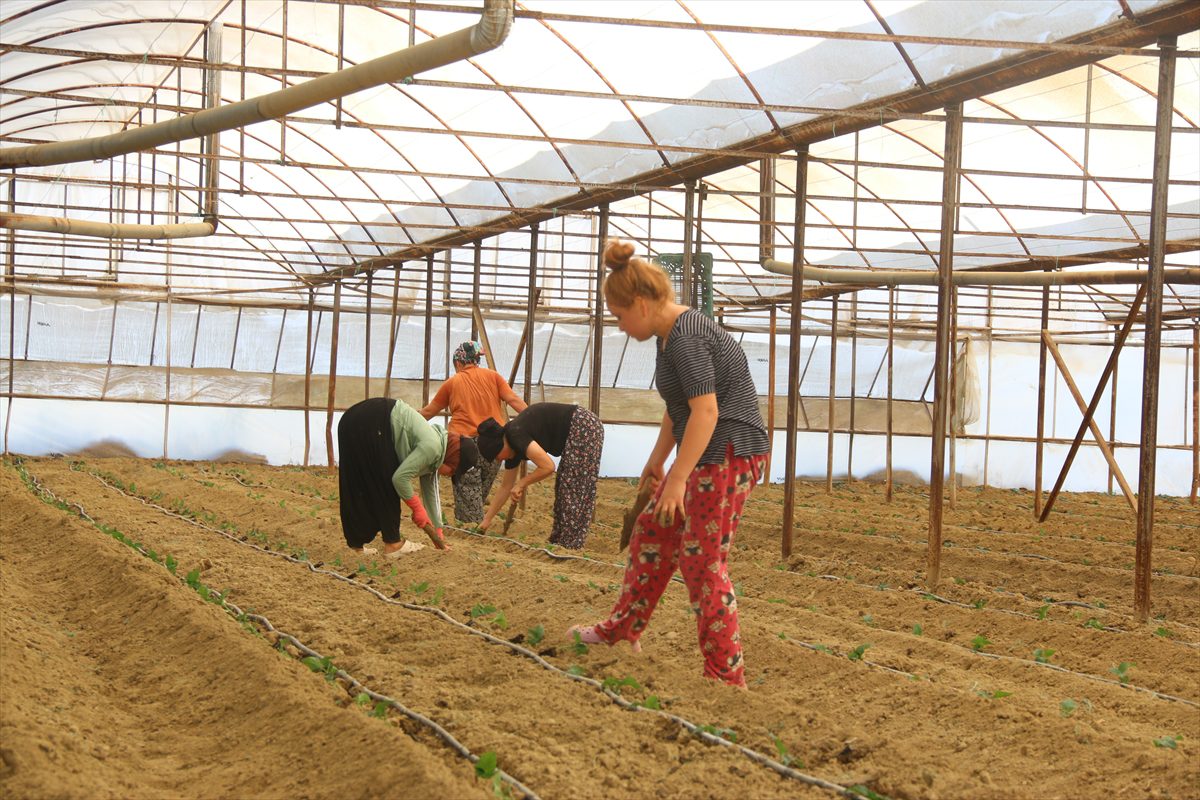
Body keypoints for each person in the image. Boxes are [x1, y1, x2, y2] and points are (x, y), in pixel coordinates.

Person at [567, 240, 769, 688]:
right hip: (708, 451)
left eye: (619, 317)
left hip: (731, 452)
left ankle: (725, 675)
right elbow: (680, 407)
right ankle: (622, 630)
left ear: (640, 304)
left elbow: (708, 412)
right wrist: (658, 462)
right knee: (653, 532)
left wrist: (679, 477)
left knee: (703, 562)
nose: (619, 327)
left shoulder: (688, 336)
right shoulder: (668, 338)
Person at [337, 396, 477, 556]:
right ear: (453, 458)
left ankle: (356, 547)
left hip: (351, 420)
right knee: (387, 484)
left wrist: (438, 533)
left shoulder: (436, 451)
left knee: (360, 486)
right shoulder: (433, 447)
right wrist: (417, 508)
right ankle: (393, 544)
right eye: (452, 471)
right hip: (376, 420)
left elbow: (430, 493)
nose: (449, 475)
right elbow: (400, 478)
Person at [419, 340, 526, 523]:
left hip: (463, 446)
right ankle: (477, 524)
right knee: (479, 494)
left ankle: (472, 531)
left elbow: (428, 412)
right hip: (494, 447)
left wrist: (405, 422)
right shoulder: (494, 377)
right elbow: (514, 400)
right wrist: (532, 418)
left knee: (467, 495)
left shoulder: (452, 383)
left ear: (459, 363)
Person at [475, 402, 603, 549]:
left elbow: (548, 467)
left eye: (497, 456)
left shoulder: (516, 434)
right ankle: (560, 541)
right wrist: (487, 520)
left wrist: (522, 483)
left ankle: (570, 545)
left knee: (573, 487)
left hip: (583, 425)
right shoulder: (512, 449)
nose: (500, 460)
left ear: (501, 444)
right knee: (564, 487)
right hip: (579, 427)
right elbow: (505, 487)